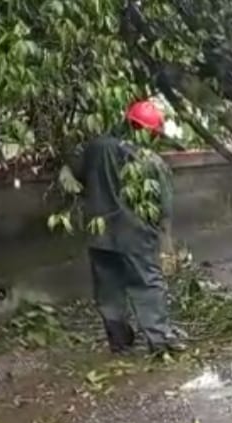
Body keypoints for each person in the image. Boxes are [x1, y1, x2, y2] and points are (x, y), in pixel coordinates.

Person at [68, 99, 185, 356]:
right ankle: (160, 342)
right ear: (149, 132)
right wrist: (166, 242)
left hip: (99, 234)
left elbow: (77, 174)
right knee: (147, 284)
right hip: (136, 235)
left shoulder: (96, 148)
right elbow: (164, 207)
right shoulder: (152, 161)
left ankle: (119, 341)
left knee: (108, 287)